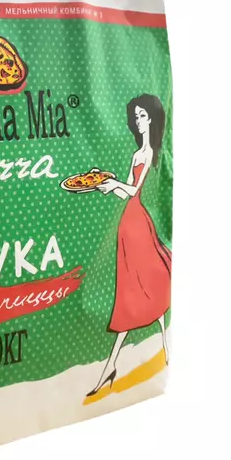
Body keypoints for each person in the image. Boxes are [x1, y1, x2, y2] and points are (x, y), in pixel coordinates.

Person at [87, 94, 171, 397]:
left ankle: (155, 351)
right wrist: (107, 186)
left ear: (152, 118)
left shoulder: (151, 153)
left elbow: (134, 190)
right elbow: (126, 192)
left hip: (138, 222)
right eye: (136, 117)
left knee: (144, 280)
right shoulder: (137, 153)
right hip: (127, 222)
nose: (138, 121)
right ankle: (119, 362)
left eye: (142, 116)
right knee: (134, 284)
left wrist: (115, 184)